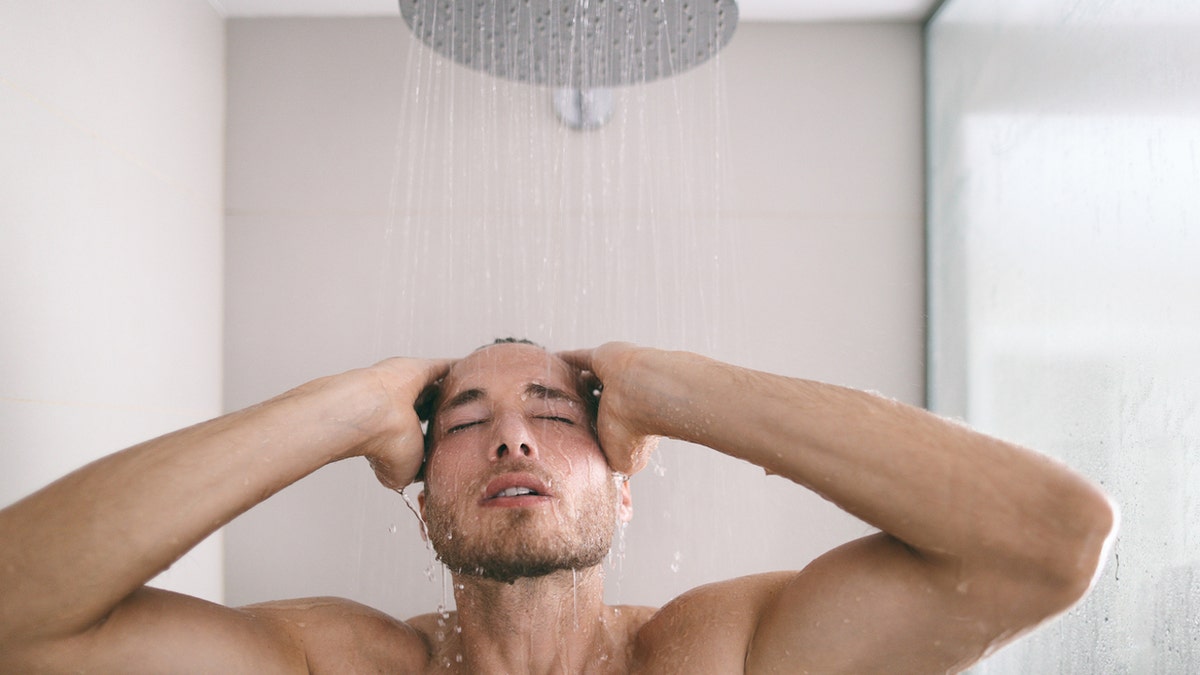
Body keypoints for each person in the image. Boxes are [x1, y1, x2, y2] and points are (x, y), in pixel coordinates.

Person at [0, 339, 1114, 673]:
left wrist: (669, 387)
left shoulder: (725, 656)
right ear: (418, 492)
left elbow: (1052, 540)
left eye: (555, 412)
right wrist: (344, 408)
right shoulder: (332, 664)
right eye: (466, 422)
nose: (515, 436)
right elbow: (19, 617)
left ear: (625, 483)